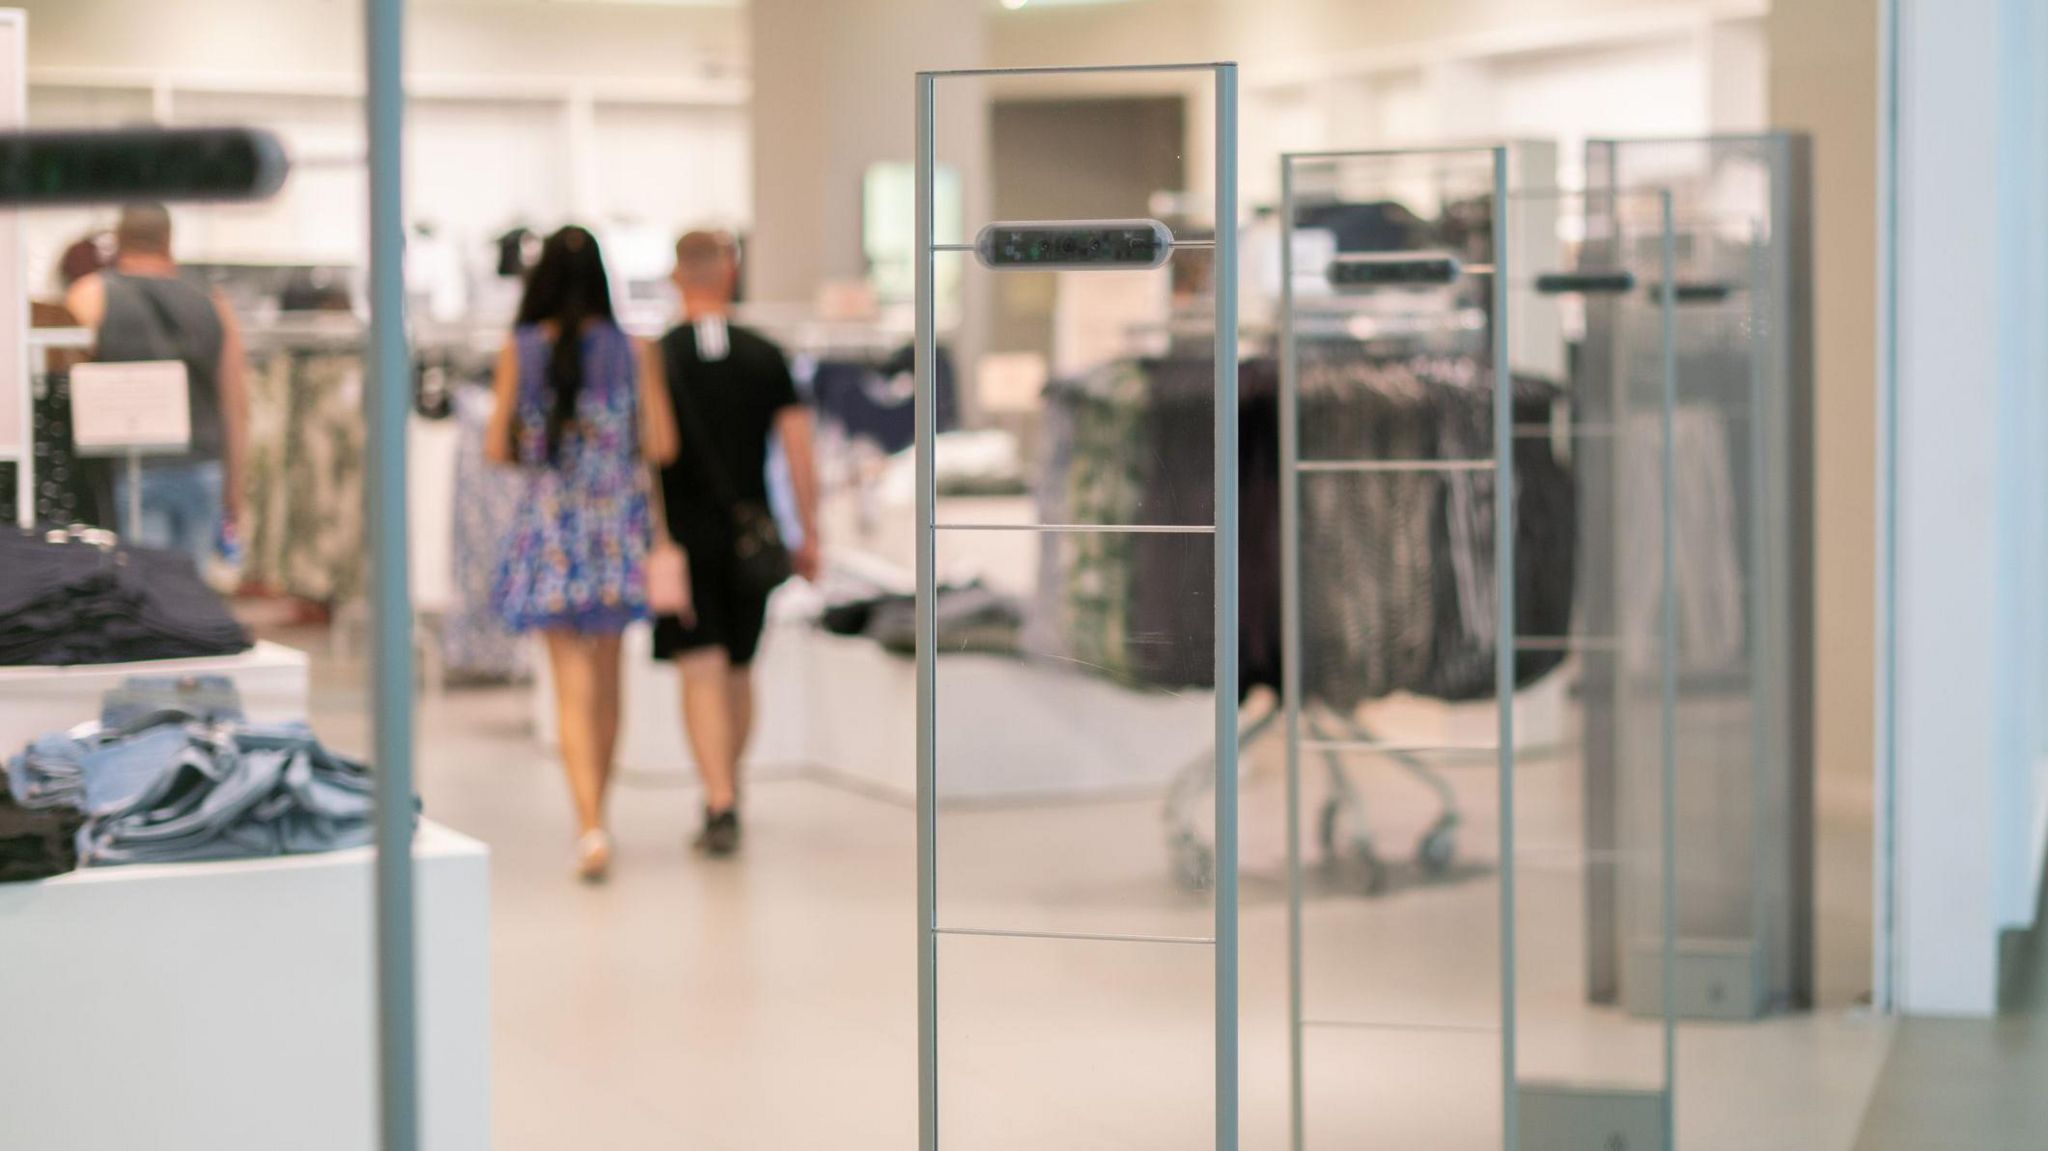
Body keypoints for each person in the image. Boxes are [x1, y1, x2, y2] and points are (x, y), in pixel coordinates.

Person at [486, 225, 678, 882]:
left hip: (551, 531)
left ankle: (586, 822)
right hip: (615, 530)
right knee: (610, 679)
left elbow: (495, 447)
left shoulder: (519, 350)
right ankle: (604, 814)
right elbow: (661, 445)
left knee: (570, 685)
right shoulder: (635, 350)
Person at [654, 230, 820, 857]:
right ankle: (731, 790)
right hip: (754, 529)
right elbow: (799, 451)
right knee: (741, 667)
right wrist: (810, 532)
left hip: (681, 534)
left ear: (677, 275)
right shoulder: (765, 355)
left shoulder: (659, 358)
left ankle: (718, 796)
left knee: (701, 667)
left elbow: (647, 455)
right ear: (730, 272)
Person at [64, 204, 248, 568]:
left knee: (144, 591)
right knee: (192, 590)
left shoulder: (91, 295)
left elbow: (65, 380)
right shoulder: (212, 302)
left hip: (132, 466)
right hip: (203, 464)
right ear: (168, 241)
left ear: (118, 241)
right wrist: (236, 488)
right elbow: (236, 402)